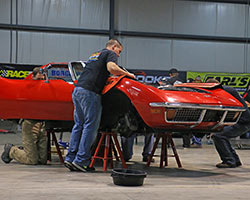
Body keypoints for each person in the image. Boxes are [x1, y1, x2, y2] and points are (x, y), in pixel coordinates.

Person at [64, 39, 135, 172]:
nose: (118, 55)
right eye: (119, 51)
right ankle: (81, 161)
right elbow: (112, 68)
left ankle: (70, 158)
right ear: (114, 47)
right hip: (90, 92)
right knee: (90, 126)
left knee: (78, 124)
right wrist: (128, 74)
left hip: (78, 90)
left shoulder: (95, 55)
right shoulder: (110, 53)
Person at [1, 67, 47, 165]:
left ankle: (26, 150)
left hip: (42, 125)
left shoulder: (46, 90)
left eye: (42, 79)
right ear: (33, 77)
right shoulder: (27, 90)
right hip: (29, 124)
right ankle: (11, 150)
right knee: (32, 160)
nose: (40, 82)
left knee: (43, 160)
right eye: (38, 79)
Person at [206, 78, 250, 168]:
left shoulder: (224, 91)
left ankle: (229, 161)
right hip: (243, 120)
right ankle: (235, 160)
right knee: (223, 135)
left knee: (218, 136)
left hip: (242, 121)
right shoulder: (227, 90)